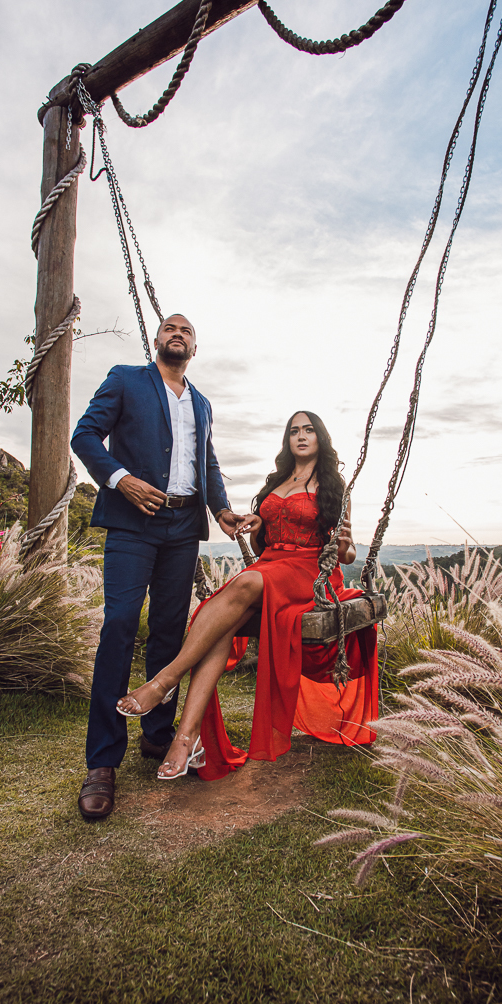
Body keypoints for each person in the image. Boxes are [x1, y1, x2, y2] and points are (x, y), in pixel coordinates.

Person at [118, 411, 378, 780]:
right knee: (218, 621)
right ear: (287, 440)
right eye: (293, 431)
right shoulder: (277, 482)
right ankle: (187, 738)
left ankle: (164, 681)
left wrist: (346, 547)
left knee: (241, 586)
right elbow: (261, 545)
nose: (301, 436)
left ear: (321, 437)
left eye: (308, 430)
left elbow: (346, 554)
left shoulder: (335, 486)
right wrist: (257, 527)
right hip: (272, 566)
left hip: (310, 573)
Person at [70, 314, 246, 820]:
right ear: (157, 340)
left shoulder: (203, 403)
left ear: (195, 346)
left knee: (171, 631)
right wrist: (119, 478)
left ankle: (157, 736)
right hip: (132, 524)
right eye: (170, 327)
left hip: (182, 529)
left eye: (187, 331)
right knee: (120, 627)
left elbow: (205, 464)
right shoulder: (126, 378)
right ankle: (102, 762)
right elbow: (85, 436)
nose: (178, 334)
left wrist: (222, 508)